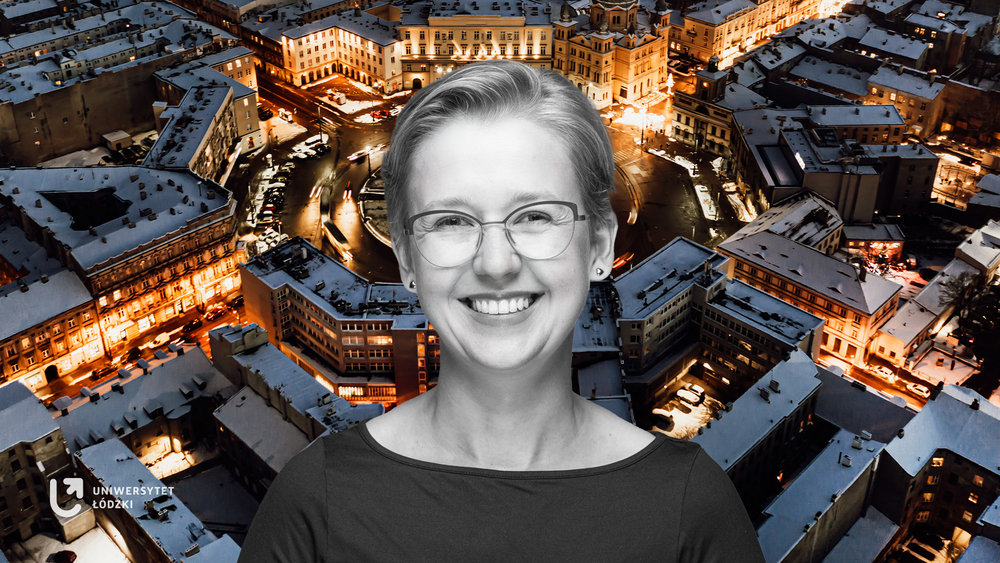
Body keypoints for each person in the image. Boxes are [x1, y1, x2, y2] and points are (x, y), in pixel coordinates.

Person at [237, 60, 765, 563]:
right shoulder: (312, 508)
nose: (495, 263)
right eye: (450, 221)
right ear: (405, 258)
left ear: (599, 244)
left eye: (535, 215)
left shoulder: (693, 513)